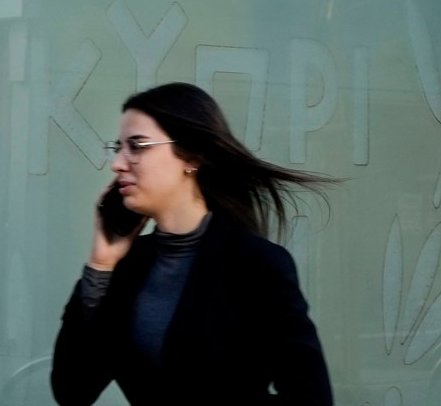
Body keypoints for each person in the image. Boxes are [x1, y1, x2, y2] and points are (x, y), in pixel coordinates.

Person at [51, 82, 335, 405]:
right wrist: (100, 265)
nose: (118, 163)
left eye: (138, 146)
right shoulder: (128, 267)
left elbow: (311, 397)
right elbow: (72, 391)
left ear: (191, 156)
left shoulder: (255, 265)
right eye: (117, 148)